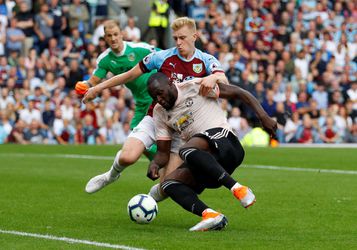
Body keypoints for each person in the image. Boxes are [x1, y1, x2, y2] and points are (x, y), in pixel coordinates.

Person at [83, 17, 230, 200]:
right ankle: (111, 175)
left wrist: (214, 78)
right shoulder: (162, 57)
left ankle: (148, 202)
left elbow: (224, 81)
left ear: (195, 36)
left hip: (182, 127)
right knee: (128, 157)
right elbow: (128, 75)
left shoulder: (206, 60)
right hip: (156, 116)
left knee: (167, 186)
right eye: (175, 38)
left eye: (182, 38)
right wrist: (97, 88)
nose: (178, 42)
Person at [146, 72, 277, 231]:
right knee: (169, 183)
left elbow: (239, 92)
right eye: (154, 97)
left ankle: (239, 189)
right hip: (209, 166)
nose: (159, 99)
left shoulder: (194, 87)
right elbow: (163, 153)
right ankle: (211, 215)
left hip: (228, 145)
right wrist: (155, 164)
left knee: (186, 150)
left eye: (160, 93)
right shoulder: (159, 112)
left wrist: (263, 116)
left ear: (170, 83)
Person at [75, 20, 160, 193]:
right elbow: (94, 80)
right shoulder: (105, 59)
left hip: (158, 97)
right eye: (109, 36)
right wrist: (85, 85)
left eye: (115, 34)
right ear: (105, 38)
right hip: (142, 102)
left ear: (122, 34)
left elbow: (163, 55)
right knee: (136, 132)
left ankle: (165, 162)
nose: (113, 38)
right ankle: (160, 162)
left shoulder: (139, 48)